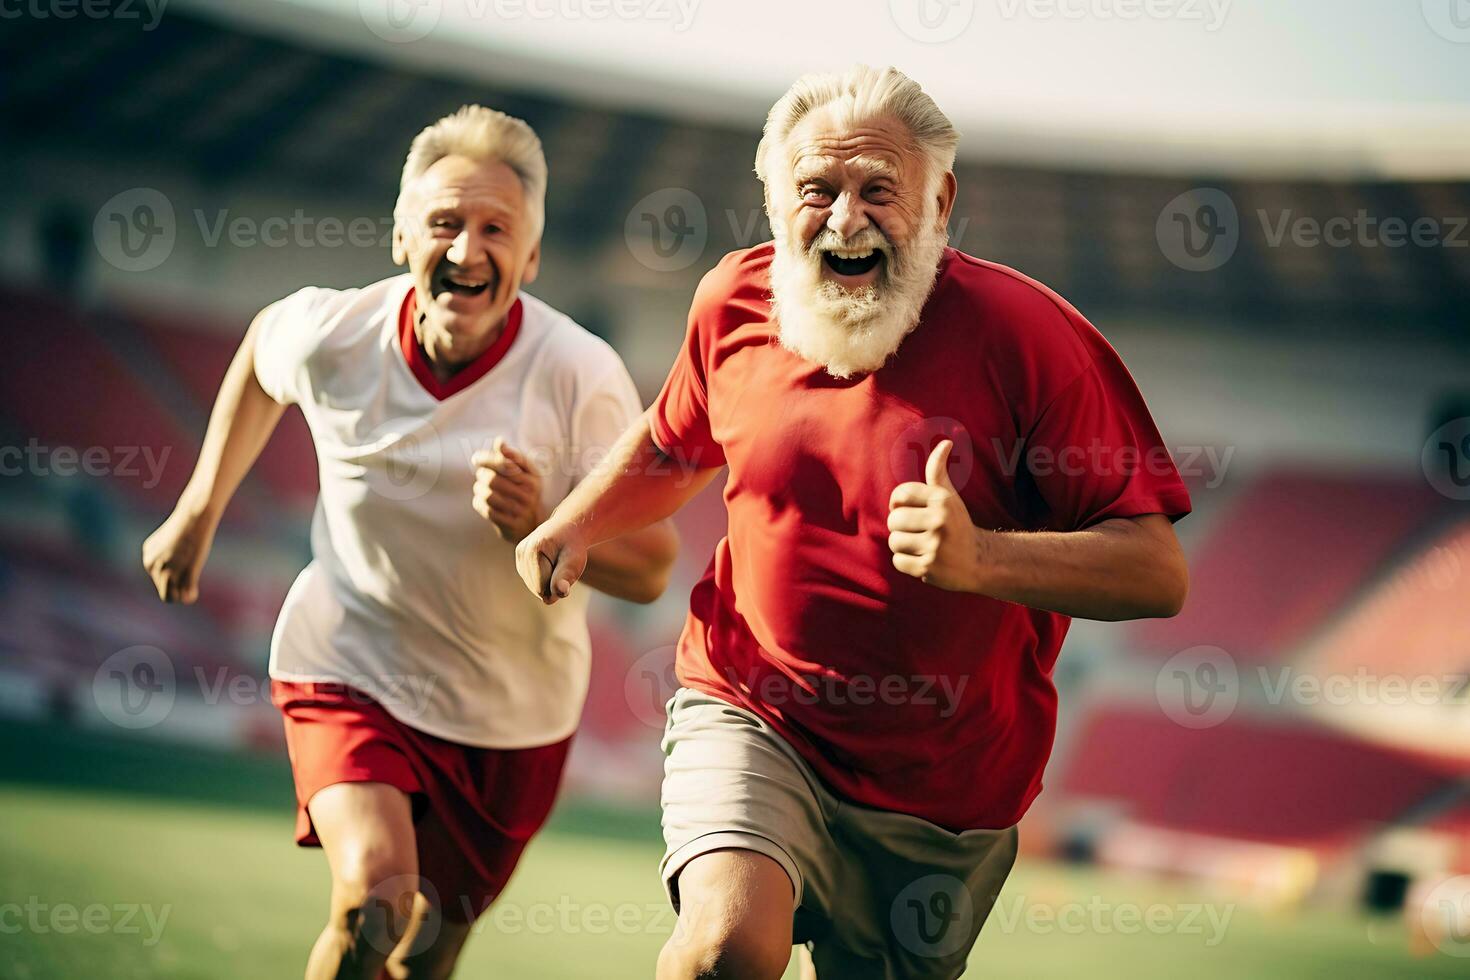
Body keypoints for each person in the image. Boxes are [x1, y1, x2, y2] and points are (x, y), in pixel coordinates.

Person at [515, 67, 1192, 980]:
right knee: (722, 950)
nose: (844, 219)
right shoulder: (732, 303)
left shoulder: (1033, 339)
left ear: (941, 199)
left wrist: (981, 558)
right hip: (752, 709)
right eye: (817, 191)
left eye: (879, 189)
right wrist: (572, 525)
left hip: (944, 794)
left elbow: (1157, 571)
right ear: (773, 199)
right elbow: (675, 443)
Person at [143, 105, 678, 980]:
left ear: (531, 259)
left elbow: (652, 566)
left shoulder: (580, 376)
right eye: (444, 223)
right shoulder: (337, 334)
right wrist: (198, 512)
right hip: (354, 659)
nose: (467, 250)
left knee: (426, 956)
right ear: (401, 237)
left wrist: (544, 524)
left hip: (511, 715)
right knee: (375, 902)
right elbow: (258, 354)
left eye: (495, 230)